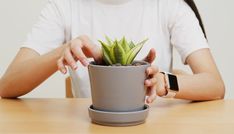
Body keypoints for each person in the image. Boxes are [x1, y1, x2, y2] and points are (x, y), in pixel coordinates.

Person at [0, 0, 225, 102]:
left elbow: (214, 85)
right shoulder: (63, 7)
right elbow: (7, 85)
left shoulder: (170, 6)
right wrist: (62, 52)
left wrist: (165, 83)